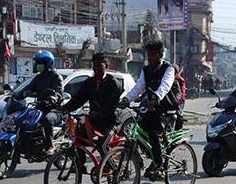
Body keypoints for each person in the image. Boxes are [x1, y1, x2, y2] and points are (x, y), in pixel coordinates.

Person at [122, 39, 179, 176]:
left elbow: (165, 86)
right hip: (151, 108)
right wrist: (126, 99)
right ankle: (153, 157)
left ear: (160, 54)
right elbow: (138, 87)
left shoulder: (168, 69)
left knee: (153, 132)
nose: (149, 57)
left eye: (152, 54)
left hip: (166, 109)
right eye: (148, 54)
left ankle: (159, 164)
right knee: (139, 128)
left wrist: (156, 98)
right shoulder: (146, 70)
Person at [62, 52, 122, 150]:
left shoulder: (113, 83)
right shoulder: (89, 83)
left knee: (102, 146)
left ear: (106, 66)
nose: (96, 68)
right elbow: (79, 99)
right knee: (77, 140)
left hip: (110, 123)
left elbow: (111, 105)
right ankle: (80, 161)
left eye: (99, 65)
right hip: (94, 121)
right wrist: (64, 109)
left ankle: (108, 160)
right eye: (94, 65)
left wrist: (98, 113)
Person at [15, 50, 64, 150]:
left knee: (47, 119)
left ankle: (50, 145)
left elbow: (58, 93)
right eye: (36, 63)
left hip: (54, 109)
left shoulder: (56, 77)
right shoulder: (38, 78)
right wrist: (15, 96)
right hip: (40, 107)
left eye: (39, 63)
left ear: (47, 64)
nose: (37, 65)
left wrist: (52, 99)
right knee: (24, 119)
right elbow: (27, 89)